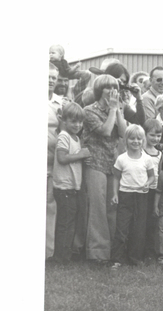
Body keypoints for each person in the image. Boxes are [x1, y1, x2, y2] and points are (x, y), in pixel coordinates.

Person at [81, 74, 128, 263]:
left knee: (111, 207)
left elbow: (124, 133)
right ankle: (97, 253)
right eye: (108, 88)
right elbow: (106, 131)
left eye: (114, 87)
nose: (112, 91)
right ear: (99, 90)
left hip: (111, 163)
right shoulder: (88, 111)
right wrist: (112, 111)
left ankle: (111, 252)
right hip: (94, 163)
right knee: (97, 208)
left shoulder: (116, 109)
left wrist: (117, 112)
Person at [50, 102, 91, 263]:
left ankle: (66, 254)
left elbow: (74, 158)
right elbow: (61, 158)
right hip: (63, 187)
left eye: (80, 122)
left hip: (73, 187)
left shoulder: (76, 138)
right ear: (64, 121)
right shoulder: (64, 136)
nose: (78, 125)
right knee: (65, 223)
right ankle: (60, 257)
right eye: (73, 121)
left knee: (70, 221)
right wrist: (81, 155)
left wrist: (83, 158)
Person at [110, 125, 155, 267]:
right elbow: (116, 178)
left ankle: (135, 258)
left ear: (143, 141)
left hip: (141, 196)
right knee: (122, 227)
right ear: (126, 140)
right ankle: (117, 259)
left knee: (139, 228)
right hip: (125, 195)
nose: (135, 141)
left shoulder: (147, 159)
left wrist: (147, 183)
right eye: (132, 138)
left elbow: (152, 177)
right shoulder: (121, 159)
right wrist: (115, 194)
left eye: (139, 139)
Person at [47, 63, 63, 260]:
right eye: (47, 76)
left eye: (53, 77)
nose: (51, 80)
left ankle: (47, 252)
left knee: (50, 204)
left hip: (53, 161)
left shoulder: (60, 103)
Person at [142, 119, 163, 259]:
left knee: (151, 221)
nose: (156, 139)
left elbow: (159, 172)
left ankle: (150, 252)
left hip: (153, 190)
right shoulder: (141, 151)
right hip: (141, 189)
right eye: (152, 135)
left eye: (158, 136)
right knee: (140, 220)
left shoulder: (160, 153)